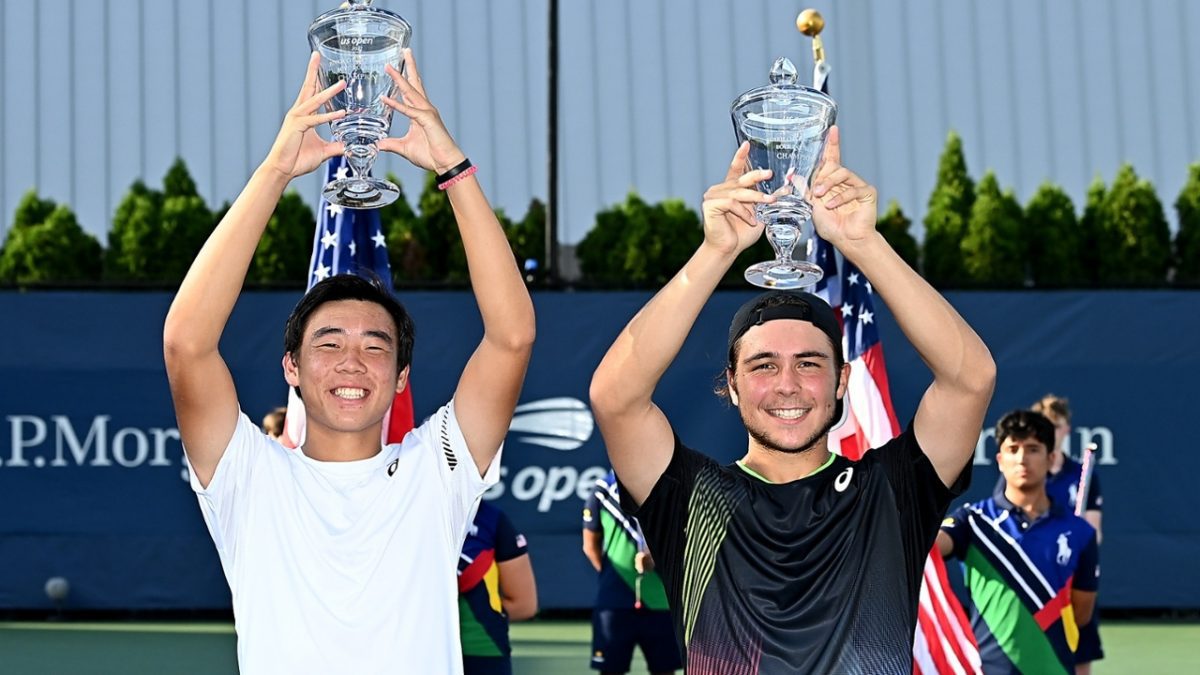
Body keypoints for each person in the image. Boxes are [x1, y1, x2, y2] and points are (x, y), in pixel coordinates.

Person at [162, 49, 535, 674]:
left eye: (375, 346)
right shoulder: (248, 476)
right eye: (328, 343)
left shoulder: (437, 468)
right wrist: (278, 168)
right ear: (292, 368)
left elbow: (512, 337)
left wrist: (452, 166)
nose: (352, 362)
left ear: (402, 376)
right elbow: (186, 343)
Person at [588, 128, 996, 672]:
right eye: (763, 366)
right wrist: (716, 251)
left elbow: (971, 377)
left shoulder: (891, 491)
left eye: (809, 363)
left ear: (842, 381)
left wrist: (862, 244)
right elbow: (614, 397)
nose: (787, 384)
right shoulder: (690, 496)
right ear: (731, 385)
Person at [939, 410, 1099, 674]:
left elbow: (1082, 614)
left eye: (1033, 449)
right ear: (1000, 460)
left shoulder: (1080, 533)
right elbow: (933, 545)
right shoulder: (973, 520)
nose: (1022, 458)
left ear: (1050, 459)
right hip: (987, 669)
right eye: (1013, 448)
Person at [1000, 394, 1104, 673]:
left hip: (1070, 573)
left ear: (1067, 430)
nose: (1054, 432)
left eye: (1058, 426)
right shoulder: (1022, 473)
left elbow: (1094, 532)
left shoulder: (1082, 474)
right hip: (1032, 576)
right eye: (1047, 425)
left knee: (1079, 647)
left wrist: (1076, 535)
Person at [582, 470, 681, 675]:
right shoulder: (602, 489)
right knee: (611, 670)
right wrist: (617, 575)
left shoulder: (672, 487)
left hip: (661, 601)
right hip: (615, 602)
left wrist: (656, 558)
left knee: (665, 670)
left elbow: (684, 540)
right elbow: (590, 545)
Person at [458, 501, 538, 675]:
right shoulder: (402, 512)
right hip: (415, 649)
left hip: (482, 650)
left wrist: (482, 613)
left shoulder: (491, 519)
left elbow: (524, 605)